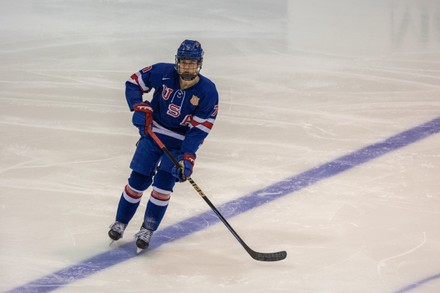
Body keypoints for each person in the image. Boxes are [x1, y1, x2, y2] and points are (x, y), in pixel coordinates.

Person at [108, 40, 219, 251]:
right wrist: (138, 106)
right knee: (137, 181)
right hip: (153, 133)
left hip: (179, 143)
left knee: (162, 188)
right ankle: (120, 222)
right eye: (184, 62)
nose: (187, 67)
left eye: (192, 63)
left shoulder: (208, 91)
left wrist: (188, 156)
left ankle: (147, 230)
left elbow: (198, 130)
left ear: (199, 64)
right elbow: (134, 82)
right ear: (178, 61)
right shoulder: (163, 72)